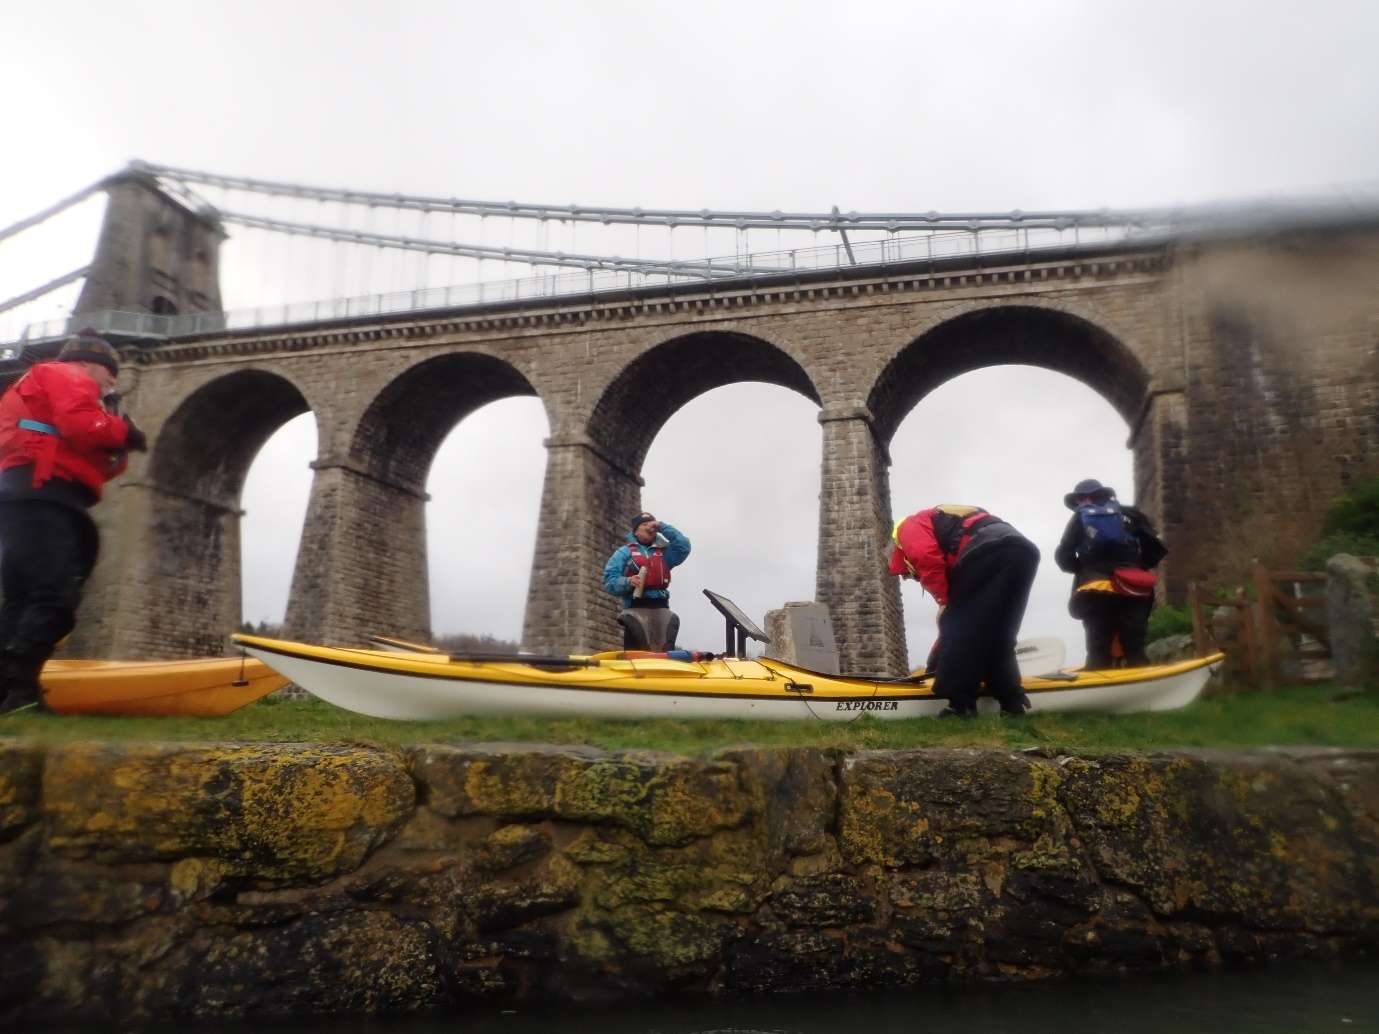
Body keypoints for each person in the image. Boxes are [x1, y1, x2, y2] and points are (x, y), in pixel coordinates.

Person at [0, 329, 146, 714]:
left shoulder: (46, 387)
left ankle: (9, 692)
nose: (112, 381)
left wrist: (117, 442)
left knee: (22, 597)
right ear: (85, 364)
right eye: (108, 372)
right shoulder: (65, 376)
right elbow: (81, 427)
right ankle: (21, 687)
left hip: (28, 494)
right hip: (44, 492)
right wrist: (122, 431)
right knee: (55, 594)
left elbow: (93, 463)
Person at [888, 504, 1040, 717]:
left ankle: (960, 705)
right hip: (1023, 553)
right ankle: (1012, 702)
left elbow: (925, 557)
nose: (914, 578)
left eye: (910, 575)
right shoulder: (943, 520)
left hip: (986, 550)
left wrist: (943, 600)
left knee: (959, 629)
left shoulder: (907, 528)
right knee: (998, 633)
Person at [1053, 478, 1167, 669]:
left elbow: (1064, 555)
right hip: (1134, 584)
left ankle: (1098, 686)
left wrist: (1082, 569)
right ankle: (1141, 685)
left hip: (1095, 585)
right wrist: (1138, 566)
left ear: (1079, 500)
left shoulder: (1080, 517)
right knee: (1135, 642)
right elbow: (1156, 548)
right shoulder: (1131, 514)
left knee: (1098, 644)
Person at [602, 512, 691, 648]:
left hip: (662, 610)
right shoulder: (624, 553)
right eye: (644, 525)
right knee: (637, 654)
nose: (649, 527)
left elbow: (684, 546)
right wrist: (628, 581)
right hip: (634, 609)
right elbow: (609, 581)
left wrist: (662, 527)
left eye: (651, 524)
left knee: (665, 652)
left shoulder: (664, 553)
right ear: (636, 532)